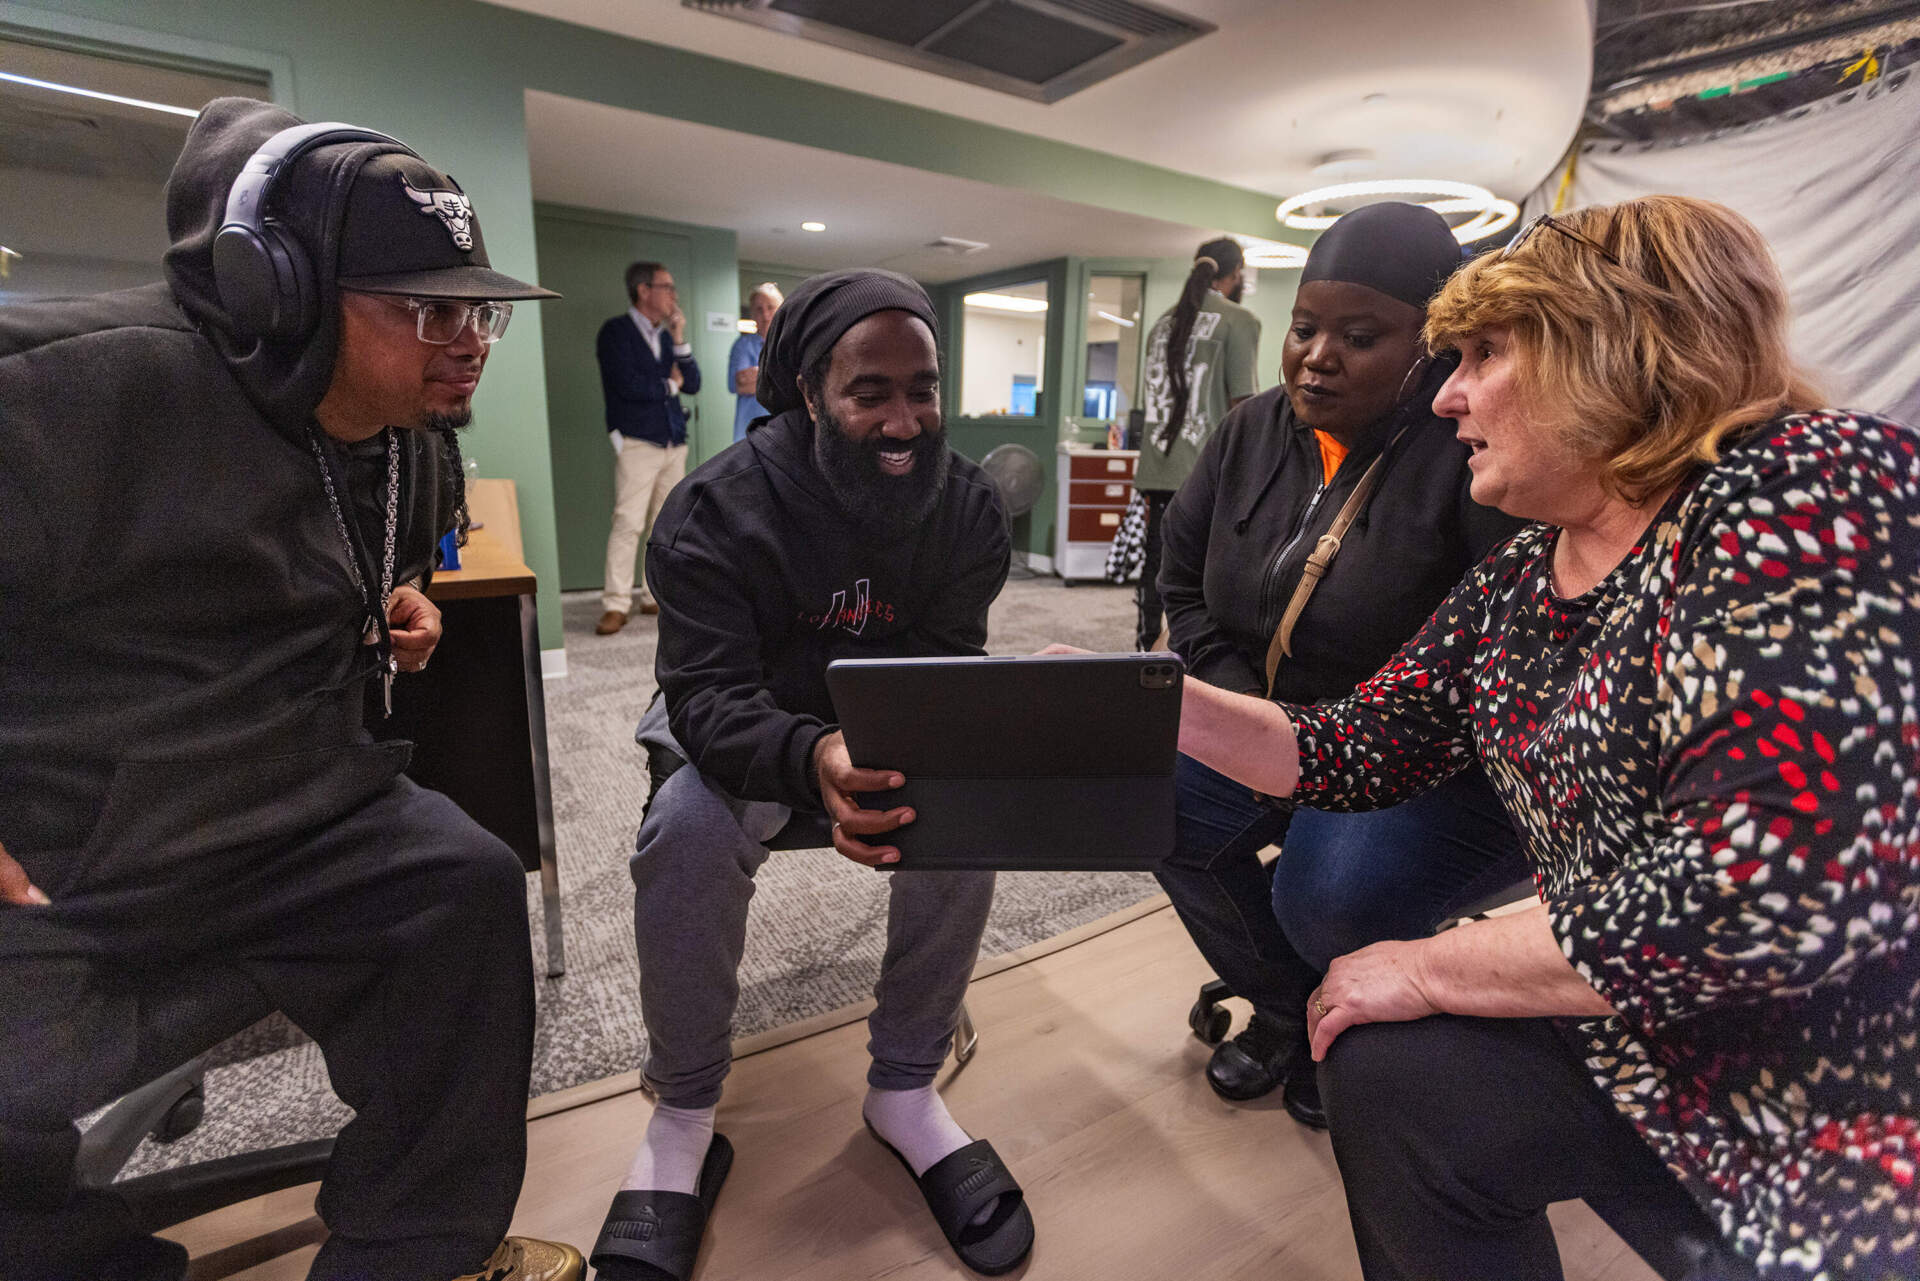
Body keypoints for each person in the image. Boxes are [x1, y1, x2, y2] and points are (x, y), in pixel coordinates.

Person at [1176, 195, 1918, 1280]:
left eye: (1482, 355)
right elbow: (1352, 748)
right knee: (1381, 1064)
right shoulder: (1523, 576)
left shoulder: (1806, 483)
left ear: (1612, 350)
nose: (1448, 398)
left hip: (1828, 1087)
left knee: (1390, 993)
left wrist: (1436, 964)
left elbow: (1765, 889)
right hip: (1636, 1026)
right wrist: (1154, 705)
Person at [0, 99, 577, 1281]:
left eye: (480, 310)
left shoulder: (409, 432)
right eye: (430, 309)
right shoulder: (65, 393)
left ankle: (414, 1250)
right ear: (280, 291)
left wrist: (387, 606)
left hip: (291, 815)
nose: (469, 339)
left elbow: (346, 570)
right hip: (58, 860)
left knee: (463, 893)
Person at [591, 270, 1032, 1281]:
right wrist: (810, 753)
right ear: (805, 392)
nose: (903, 419)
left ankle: (907, 1088)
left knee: (969, 815)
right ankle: (686, 1112)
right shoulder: (714, 508)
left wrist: (903, 743)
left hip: (885, 726)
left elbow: (941, 671)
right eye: (868, 392)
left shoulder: (965, 508)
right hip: (742, 717)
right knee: (689, 834)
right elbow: (704, 695)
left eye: (921, 388)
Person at [1152, 202, 1530, 1124]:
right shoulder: (1249, 431)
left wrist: (1321, 754)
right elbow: (1182, 583)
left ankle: (1355, 1012)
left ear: (1431, 347)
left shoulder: (1472, 457)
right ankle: (1300, 1006)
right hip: (1272, 725)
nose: (1318, 356)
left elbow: (1489, 670)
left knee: (1323, 892)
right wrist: (1246, 714)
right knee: (1147, 801)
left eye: (1359, 336)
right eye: (1304, 328)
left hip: (1412, 758)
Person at [1131, 236, 1260, 651]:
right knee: (1207, 570)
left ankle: (1147, 644)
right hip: (1208, 471)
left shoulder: (1162, 325)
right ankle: (1200, 653)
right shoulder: (1239, 320)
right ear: (1236, 274)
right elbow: (1245, 408)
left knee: (1158, 563)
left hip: (1157, 466)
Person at [595, 260, 701, 635]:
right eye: (667, 287)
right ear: (644, 290)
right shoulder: (616, 333)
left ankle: (652, 595)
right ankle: (615, 604)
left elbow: (693, 382)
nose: (674, 295)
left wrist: (680, 335)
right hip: (639, 441)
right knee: (628, 522)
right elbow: (628, 385)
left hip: (674, 442)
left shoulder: (668, 336)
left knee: (665, 523)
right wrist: (668, 385)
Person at [727, 281, 782, 440]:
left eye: (770, 307)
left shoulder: (790, 344)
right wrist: (780, 376)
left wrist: (755, 375)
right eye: (759, 309)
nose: (765, 315)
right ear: (752, 314)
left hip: (783, 432)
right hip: (749, 433)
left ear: (781, 310)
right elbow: (739, 385)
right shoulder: (742, 345)